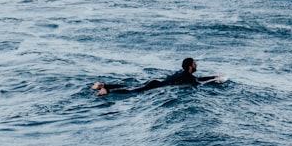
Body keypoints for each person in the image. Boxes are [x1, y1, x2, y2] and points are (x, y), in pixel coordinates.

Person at [91, 58, 224, 96]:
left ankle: (104, 85)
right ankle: (107, 91)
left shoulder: (183, 73)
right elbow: (198, 83)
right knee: (133, 91)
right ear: (190, 66)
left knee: (132, 87)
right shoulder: (187, 76)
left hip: (155, 82)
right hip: (156, 85)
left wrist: (213, 76)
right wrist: (214, 80)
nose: (197, 65)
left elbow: (197, 79)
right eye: (195, 63)